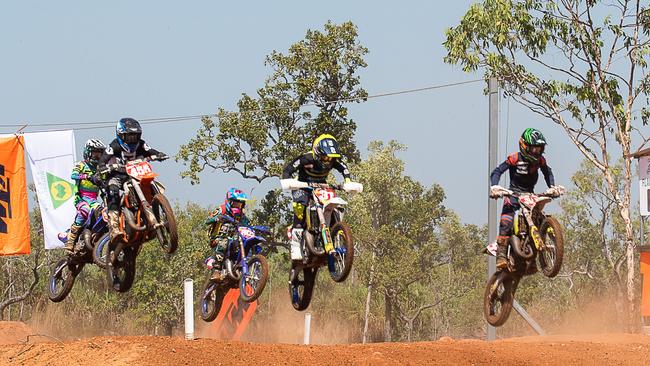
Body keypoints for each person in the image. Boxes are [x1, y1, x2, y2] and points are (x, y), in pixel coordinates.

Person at [489, 128, 563, 270]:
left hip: (530, 195)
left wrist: (552, 187)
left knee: (539, 218)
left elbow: (547, 172)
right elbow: (497, 171)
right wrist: (495, 186)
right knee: (506, 221)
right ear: (524, 146)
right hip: (513, 194)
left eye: (539, 149)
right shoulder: (514, 158)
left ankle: (535, 258)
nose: (537, 152)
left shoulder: (540, 160)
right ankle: (501, 255)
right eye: (534, 149)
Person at [280, 134, 352, 261]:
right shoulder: (306, 158)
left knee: (335, 204)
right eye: (325, 157)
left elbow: (344, 168)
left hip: (321, 186)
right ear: (318, 153)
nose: (328, 160)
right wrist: (288, 182)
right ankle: (296, 244)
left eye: (331, 158)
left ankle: (335, 231)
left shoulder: (333, 160)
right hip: (302, 186)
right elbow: (288, 169)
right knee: (300, 206)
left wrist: (348, 181)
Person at [98, 117, 167, 244]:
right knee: (112, 192)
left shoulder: (141, 143)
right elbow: (102, 160)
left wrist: (159, 154)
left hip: (136, 174)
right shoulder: (114, 146)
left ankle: (162, 212)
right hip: (117, 175)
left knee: (151, 183)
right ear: (120, 135)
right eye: (129, 136)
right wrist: (103, 167)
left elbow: (149, 150)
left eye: (135, 136)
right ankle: (114, 229)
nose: (132, 139)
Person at [61, 139, 106, 252]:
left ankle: (95, 236)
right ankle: (70, 239)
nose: (97, 156)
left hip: (93, 199)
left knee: (102, 213)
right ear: (88, 152)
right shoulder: (81, 165)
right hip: (81, 198)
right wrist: (87, 177)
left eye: (100, 153)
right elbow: (73, 175)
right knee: (84, 210)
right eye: (95, 153)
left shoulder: (99, 169)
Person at [204, 188, 251, 281]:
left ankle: (243, 269)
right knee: (224, 242)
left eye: (240, 203)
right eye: (236, 203)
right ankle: (216, 270)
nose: (238, 206)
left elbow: (249, 225)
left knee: (247, 244)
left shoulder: (242, 216)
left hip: (235, 239)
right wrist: (217, 218)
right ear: (230, 202)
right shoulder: (222, 209)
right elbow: (206, 221)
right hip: (217, 238)